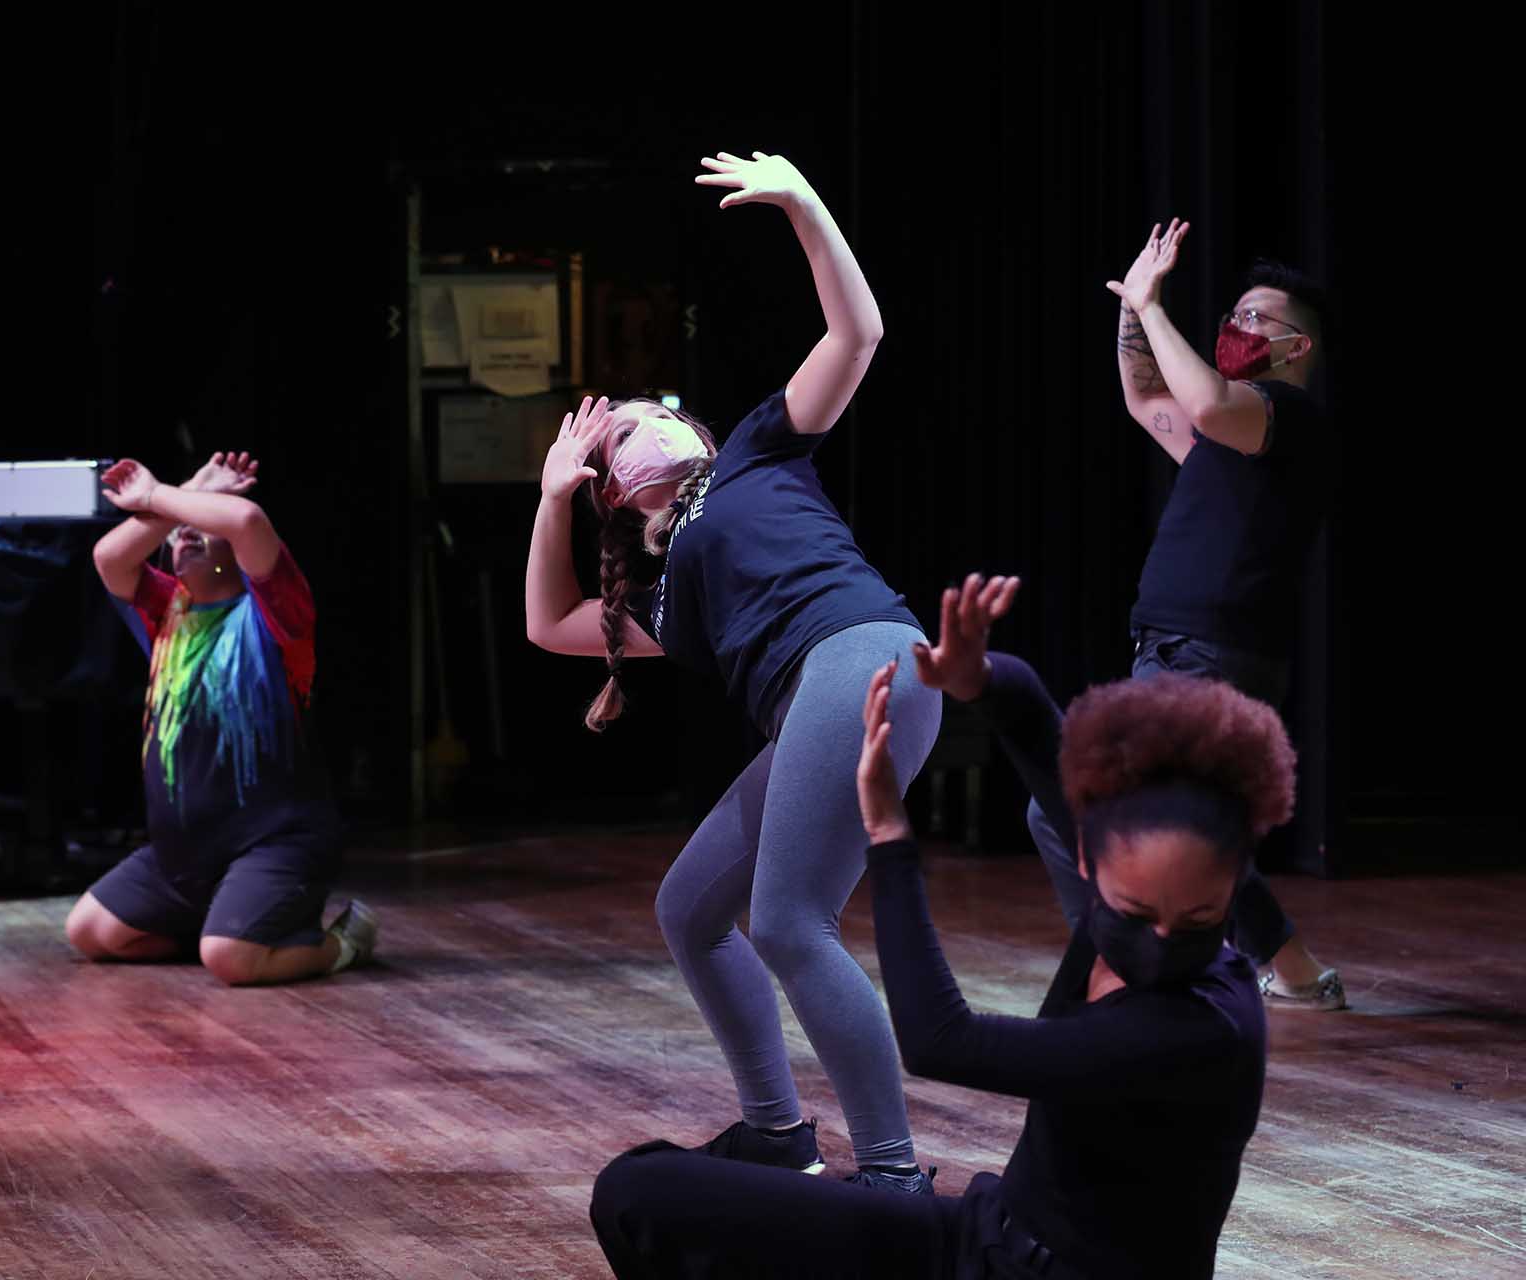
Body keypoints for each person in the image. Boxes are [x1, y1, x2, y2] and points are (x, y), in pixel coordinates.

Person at [591, 574, 1291, 1279]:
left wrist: (892, 840)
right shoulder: (1126, 879)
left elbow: (939, 1041)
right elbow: (1042, 737)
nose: (1165, 938)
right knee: (639, 1190)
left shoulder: (1202, 1028)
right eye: (1138, 911)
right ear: (1088, 858)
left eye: (1201, 918)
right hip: (988, 1237)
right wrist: (980, 676)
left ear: (1234, 885)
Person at [526, 150, 941, 1190]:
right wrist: (550, 493)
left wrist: (806, 204)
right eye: (616, 426)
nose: (634, 414)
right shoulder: (666, 596)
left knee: (791, 920)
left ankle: (892, 1176)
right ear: (617, 489)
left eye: (641, 404)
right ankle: (775, 1132)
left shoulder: (754, 451)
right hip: (824, 694)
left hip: (867, 659)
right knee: (691, 908)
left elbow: (859, 333)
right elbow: (550, 623)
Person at [1036, 219, 1340, 1010]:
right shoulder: (1230, 432)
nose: (1233, 329)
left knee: (1086, 809)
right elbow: (1147, 394)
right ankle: (1292, 970)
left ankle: (1123, 970)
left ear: (1294, 348)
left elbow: (1202, 401)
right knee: (1178, 822)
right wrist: (1137, 307)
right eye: (1230, 314)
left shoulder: (1287, 419)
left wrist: (1153, 306)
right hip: (1177, 647)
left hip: (1214, 651)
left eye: (1253, 320)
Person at [63, 451, 375, 985]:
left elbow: (249, 521)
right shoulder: (168, 611)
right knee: (91, 932)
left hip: (275, 842)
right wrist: (191, 488)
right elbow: (110, 555)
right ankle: (223, 925)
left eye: (202, 527)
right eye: (177, 531)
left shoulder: (277, 617)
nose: (185, 535)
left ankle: (344, 942)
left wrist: (158, 495)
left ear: (237, 556)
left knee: (231, 961)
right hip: (184, 853)